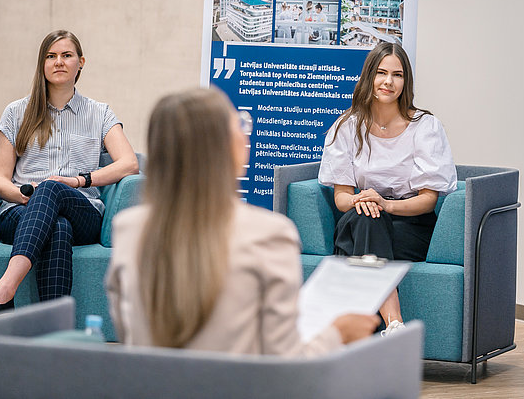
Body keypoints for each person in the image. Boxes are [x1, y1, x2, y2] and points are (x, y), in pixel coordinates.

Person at [106, 88, 378, 354]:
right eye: (239, 123)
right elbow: (287, 364)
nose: (245, 131)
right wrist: (339, 333)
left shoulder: (129, 229)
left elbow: (129, 336)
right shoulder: (270, 234)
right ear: (226, 146)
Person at [0, 30, 139, 316]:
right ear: (42, 64)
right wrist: (24, 196)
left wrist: (79, 181)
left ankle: (4, 292)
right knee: (59, 227)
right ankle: (53, 326)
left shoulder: (100, 113)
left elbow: (129, 163)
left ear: (81, 62)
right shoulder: (16, 112)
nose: (58, 61)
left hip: (82, 210)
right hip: (20, 211)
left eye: (66, 55)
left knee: (52, 188)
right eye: (51, 56)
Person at [318, 43, 457, 336]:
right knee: (368, 218)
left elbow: (428, 201)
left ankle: (362, 332)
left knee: (365, 235)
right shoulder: (347, 126)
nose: (388, 82)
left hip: (410, 226)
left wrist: (386, 204)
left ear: (406, 81)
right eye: (381, 73)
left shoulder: (425, 127)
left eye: (397, 74)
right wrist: (364, 200)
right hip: (360, 217)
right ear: (369, 76)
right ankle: (394, 324)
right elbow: (341, 198)